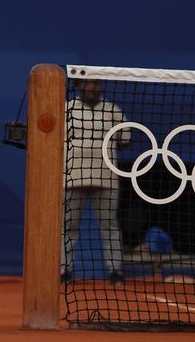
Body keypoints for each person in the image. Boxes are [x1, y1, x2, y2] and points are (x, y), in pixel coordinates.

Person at [62, 79, 128, 284]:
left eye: (95, 84)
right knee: (67, 225)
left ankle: (115, 271)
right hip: (72, 176)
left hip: (106, 177)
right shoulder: (67, 108)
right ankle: (64, 271)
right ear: (80, 86)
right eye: (87, 84)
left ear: (101, 86)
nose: (91, 87)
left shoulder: (113, 110)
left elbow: (125, 140)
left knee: (109, 225)